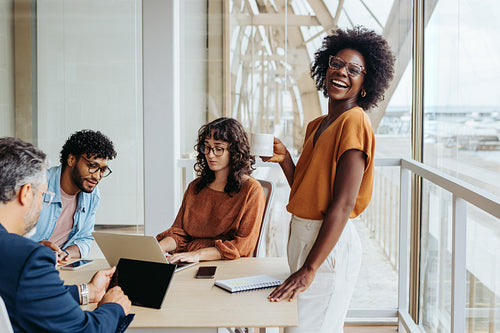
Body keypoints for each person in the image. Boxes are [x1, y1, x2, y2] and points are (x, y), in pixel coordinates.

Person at [264, 26, 395, 332]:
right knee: (297, 326)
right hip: (302, 235)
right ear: (325, 68)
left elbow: (344, 202)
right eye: (336, 63)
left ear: (366, 83)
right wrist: (285, 159)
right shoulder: (318, 125)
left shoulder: (354, 121)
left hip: (325, 243)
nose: (342, 72)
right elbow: (307, 190)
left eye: (354, 69)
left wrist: (310, 267)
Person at [0, 137, 132, 333]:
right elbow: (84, 330)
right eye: (43, 195)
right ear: (26, 193)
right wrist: (114, 307)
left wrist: (88, 291)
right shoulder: (28, 258)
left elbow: (29, 292)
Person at [156, 117, 265, 263]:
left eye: (218, 149)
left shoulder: (251, 190)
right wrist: (158, 248)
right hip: (187, 260)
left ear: (234, 151)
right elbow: (179, 233)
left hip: (225, 264)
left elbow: (242, 246)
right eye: (206, 147)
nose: (210, 154)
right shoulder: (195, 186)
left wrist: (198, 255)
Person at [30, 129, 117, 262]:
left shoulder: (92, 195)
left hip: (57, 267)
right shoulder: (37, 185)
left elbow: (85, 239)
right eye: (92, 166)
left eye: (103, 170)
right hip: (23, 265)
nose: (97, 176)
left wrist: (65, 253)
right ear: (71, 160)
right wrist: (32, 249)